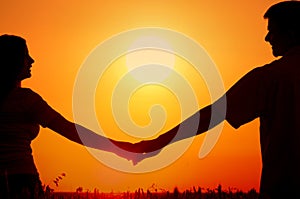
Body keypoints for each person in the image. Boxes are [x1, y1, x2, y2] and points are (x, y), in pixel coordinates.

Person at [132, 1, 300, 199]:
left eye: (272, 31)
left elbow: (213, 114)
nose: (267, 38)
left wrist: (157, 143)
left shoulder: (272, 78)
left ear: (291, 33)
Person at [0, 34, 138, 199]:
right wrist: (121, 148)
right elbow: (70, 130)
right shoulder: (26, 99)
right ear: (13, 61)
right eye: (25, 56)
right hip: (21, 180)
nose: (31, 60)